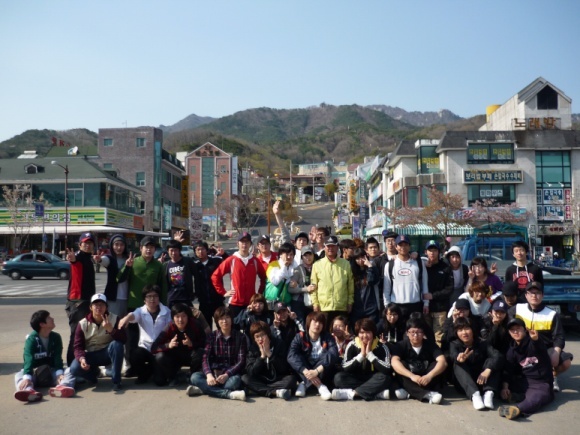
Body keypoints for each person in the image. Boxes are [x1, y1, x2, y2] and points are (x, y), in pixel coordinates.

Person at [510, 281, 573, 392]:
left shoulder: (552, 314)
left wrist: (556, 352)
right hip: (522, 348)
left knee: (566, 362)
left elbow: (559, 336)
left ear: (542, 295)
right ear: (526, 295)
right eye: (531, 293)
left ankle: (552, 376)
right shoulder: (517, 309)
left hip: (543, 349)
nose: (534, 296)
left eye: (537, 293)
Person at [118, 236, 165, 373]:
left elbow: (162, 286)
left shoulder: (158, 266)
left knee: (151, 337)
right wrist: (127, 267)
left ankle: (152, 364)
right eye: (146, 247)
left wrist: (163, 305)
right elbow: (119, 278)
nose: (149, 250)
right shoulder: (133, 262)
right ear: (140, 248)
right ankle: (131, 366)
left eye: (152, 247)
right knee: (131, 338)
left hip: (152, 307)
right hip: (134, 305)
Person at [67, 293, 126, 391]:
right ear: (91, 307)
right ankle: (93, 376)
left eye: (102, 304)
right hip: (91, 354)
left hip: (107, 353)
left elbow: (123, 339)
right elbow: (78, 346)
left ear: (106, 307)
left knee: (117, 345)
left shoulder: (115, 318)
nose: (99, 307)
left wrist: (111, 330)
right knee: (74, 369)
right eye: (96, 305)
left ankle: (116, 381)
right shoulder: (82, 323)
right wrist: (82, 359)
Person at [498, 318, 554, 420]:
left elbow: (539, 347)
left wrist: (535, 339)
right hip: (524, 381)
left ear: (525, 329)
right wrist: (505, 387)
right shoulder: (512, 349)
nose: (515, 332)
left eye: (518, 329)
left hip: (540, 382)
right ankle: (519, 396)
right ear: (509, 333)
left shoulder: (533, 341)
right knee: (501, 388)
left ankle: (517, 409)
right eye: (512, 330)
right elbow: (508, 370)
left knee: (538, 396)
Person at [188, 306, 247, 401]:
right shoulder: (212, 336)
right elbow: (205, 358)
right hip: (214, 372)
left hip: (230, 374)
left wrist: (227, 375)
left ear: (231, 319)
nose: (224, 321)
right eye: (221, 319)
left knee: (235, 382)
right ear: (217, 321)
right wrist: (209, 375)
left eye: (227, 318)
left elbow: (241, 361)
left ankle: (203, 389)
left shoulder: (240, 337)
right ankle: (228, 394)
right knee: (194, 377)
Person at [14, 310, 75, 402]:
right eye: (49, 318)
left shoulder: (56, 337)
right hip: (35, 373)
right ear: (42, 324)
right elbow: (28, 358)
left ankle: (63, 387)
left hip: (52, 373)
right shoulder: (31, 339)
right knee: (19, 375)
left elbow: (57, 357)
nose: (52, 319)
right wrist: (27, 378)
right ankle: (28, 391)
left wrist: (59, 374)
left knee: (69, 371)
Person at [118, 284, 172, 384]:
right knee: (135, 354)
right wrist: (126, 318)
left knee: (160, 382)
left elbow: (171, 328)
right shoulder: (140, 311)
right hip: (145, 348)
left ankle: (154, 370)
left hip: (160, 349)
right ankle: (143, 374)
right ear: (144, 299)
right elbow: (133, 315)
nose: (152, 299)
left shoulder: (166, 311)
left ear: (159, 298)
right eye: (149, 296)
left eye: (155, 296)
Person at [332, 318, 395, 401]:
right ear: (358, 334)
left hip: (374, 377)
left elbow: (387, 368)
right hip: (357, 377)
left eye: (368, 332)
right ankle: (375, 393)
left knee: (385, 378)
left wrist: (370, 355)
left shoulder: (382, 347)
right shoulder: (352, 345)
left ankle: (352, 394)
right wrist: (361, 355)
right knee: (338, 378)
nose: (365, 336)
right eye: (361, 333)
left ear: (373, 333)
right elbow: (345, 367)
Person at [449, 317, 503, 410]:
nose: (464, 333)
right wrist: (459, 358)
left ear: (472, 329)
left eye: (467, 328)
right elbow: (453, 355)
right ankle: (475, 395)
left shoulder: (483, 343)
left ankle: (488, 394)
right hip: (465, 384)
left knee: (493, 362)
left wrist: (488, 370)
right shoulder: (454, 344)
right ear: (456, 333)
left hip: (483, 380)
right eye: (460, 330)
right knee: (457, 365)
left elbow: (498, 356)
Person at [390, 317, 447, 404]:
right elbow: (394, 362)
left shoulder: (431, 344)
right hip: (410, 378)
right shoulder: (401, 345)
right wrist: (412, 376)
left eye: (419, 332)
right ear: (407, 333)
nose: (415, 335)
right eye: (412, 332)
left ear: (423, 333)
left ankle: (410, 392)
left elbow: (442, 361)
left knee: (437, 364)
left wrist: (429, 376)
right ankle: (427, 394)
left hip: (426, 378)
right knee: (400, 364)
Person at [211, 232, 267, 320]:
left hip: (251, 303)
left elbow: (264, 278)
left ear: (250, 244)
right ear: (237, 243)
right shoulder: (231, 260)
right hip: (235, 303)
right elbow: (215, 276)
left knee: (251, 327)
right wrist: (223, 292)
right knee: (234, 327)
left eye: (247, 242)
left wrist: (259, 293)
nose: (244, 244)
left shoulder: (255, 261)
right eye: (242, 242)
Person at [150, 302, 206, 387]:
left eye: (183, 316)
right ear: (173, 318)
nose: (180, 320)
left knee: (200, 352)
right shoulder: (169, 327)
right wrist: (168, 345)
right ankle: (173, 376)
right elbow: (154, 347)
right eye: (177, 316)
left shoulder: (195, 325)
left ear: (188, 316)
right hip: (174, 357)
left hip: (190, 356)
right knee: (159, 379)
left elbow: (205, 343)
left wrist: (192, 344)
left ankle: (192, 375)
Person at [287, 311, 339, 400]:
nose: (317, 325)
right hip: (305, 370)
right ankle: (320, 385)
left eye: (320, 322)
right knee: (297, 357)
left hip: (321, 370)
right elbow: (291, 355)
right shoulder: (300, 337)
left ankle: (304, 384)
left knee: (328, 356)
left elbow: (334, 354)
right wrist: (305, 371)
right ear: (308, 323)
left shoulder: (328, 337)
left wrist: (317, 371)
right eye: (315, 321)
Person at [242, 321, 298, 400]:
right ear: (254, 339)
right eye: (257, 337)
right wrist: (262, 357)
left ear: (268, 334)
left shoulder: (279, 344)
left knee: (291, 380)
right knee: (245, 378)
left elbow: (284, 368)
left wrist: (269, 354)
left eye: (262, 335)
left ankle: (258, 390)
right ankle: (275, 392)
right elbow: (251, 372)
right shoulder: (253, 349)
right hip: (261, 379)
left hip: (276, 379)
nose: (260, 339)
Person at [64, 232, 97, 366]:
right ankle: (71, 366)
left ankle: (79, 364)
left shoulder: (88, 258)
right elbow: (74, 262)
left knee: (83, 335)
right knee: (76, 335)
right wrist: (72, 259)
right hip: (78, 302)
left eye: (90, 243)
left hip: (85, 302)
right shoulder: (78, 257)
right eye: (85, 243)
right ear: (80, 245)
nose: (88, 245)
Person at [310, 235, 354, 327]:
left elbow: (350, 285)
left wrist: (350, 302)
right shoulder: (317, 265)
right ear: (324, 247)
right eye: (328, 246)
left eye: (333, 246)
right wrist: (315, 303)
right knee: (325, 332)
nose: (330, 248)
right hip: (323, 307)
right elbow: (314, 287)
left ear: (337, 247)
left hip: (341, 306)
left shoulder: (345, 264)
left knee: (340, 331)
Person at [383, 235, 429, 322]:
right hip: (396, 306)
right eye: (400, 245)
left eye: (405, 245)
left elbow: (424, 283)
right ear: (396, 247)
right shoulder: (389, 265)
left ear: (409, 246)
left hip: (416, 305)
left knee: (416, 330)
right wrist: (387, 306)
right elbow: (387, 288)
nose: (403, 247)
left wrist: (426, 303)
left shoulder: (418, 263)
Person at [423, 240, 453, 347]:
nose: (432, 253)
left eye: (435, 250)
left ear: (439, 252)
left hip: (440, 309)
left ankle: (439, 356)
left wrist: (433, 296)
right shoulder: (422, 266)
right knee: (425, 336)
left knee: (439, 337)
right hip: (425, 308)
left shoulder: (445, 267)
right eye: (430, 250)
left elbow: (449, 289)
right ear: (425, 252)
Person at [94, 234, 130, 318]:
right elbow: (105, 260)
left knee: (125, 323)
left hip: (128, 297)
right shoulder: (110, 258)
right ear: (112, 246)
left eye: (121, 245)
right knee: (113, 321)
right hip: (113, 298)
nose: (119, 247)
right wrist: (100, 259)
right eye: (116, 244)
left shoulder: (129, 258)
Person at [192, 241, 224, 329]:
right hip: (203, 302)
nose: (200, 252)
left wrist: (223, 254)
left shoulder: (216, 261)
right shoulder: (194, 265)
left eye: (202, 249)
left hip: (218, 301)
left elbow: (229, 261)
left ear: (207, 250)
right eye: (198, 250)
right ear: (195, 252)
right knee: (206, 328)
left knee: (222, 325)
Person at [349, 248, 381, 328]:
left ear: (366, 256)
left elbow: (371, 281)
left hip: (371, 308)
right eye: (357, 258)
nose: (360, 260)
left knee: (371, 330)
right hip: (356, 308)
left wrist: (369, 266)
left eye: (362, 257)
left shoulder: (372, 268)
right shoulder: (352, 271)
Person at [163, 239, 197, 308]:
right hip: (172, 298)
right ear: (168, 251)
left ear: (179, 250)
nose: (173, 253)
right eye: (171, 250)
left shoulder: (187, 261)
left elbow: (197, 276)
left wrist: (195, 292)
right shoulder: (166, 265)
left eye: (175, 250)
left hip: (186, 298)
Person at [289, 245, 317, 325]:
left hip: (313, 302)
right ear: (302, 257)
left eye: (310, 254)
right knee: (301, 326)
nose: (308, 257)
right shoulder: (297, 270)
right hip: (299, 302)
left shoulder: (317, 268)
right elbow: (290, 289)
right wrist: (305, 289)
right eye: (305, 255)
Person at [265, 242, 296, 308]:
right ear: (280, 254)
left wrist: (295, 284)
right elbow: (275, 282)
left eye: (291, 254)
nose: (289, 257)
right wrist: (284, 267)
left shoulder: (294, 268)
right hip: (272, 302)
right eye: (287, 254)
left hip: (286, 303)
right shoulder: (273, 265)